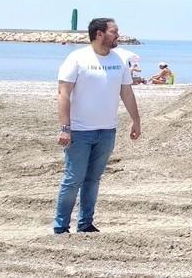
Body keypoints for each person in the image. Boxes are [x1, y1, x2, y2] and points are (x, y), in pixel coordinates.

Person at [52, 18, 141, 234]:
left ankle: (85, 224)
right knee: (74, 179)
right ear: (99, 34)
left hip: (107, 131)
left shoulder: (119, 60)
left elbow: (126, 92)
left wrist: (135, 120)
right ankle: (61, 226)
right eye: (114, 31)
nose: (118, 35)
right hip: (80, 132)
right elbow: (63, 94)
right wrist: (65, 128)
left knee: (93, 179)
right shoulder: (77, 58)